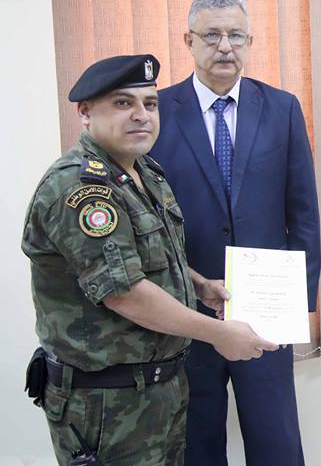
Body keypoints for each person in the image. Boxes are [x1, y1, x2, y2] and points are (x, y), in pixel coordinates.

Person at [22, 54, 277, 466]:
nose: (142, 115)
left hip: (158, 391)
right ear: (85, 113)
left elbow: (145, 258)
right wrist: (219, 333)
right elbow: (124, 292)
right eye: (123, 103)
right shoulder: (81, 188)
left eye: (150, 103)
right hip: (106, 402)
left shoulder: (144, 173)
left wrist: (199, 285)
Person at [150, 0, 321, 466]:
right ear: (188, 41)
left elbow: (304, 214)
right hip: (186, 312)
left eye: (235, 36)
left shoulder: (282, 108)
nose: (225, 46)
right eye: (211, 35)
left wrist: (297, 301)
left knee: (276, 443)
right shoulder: (157, 111)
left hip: (266, 310)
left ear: (250, 42)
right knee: (197, 444)